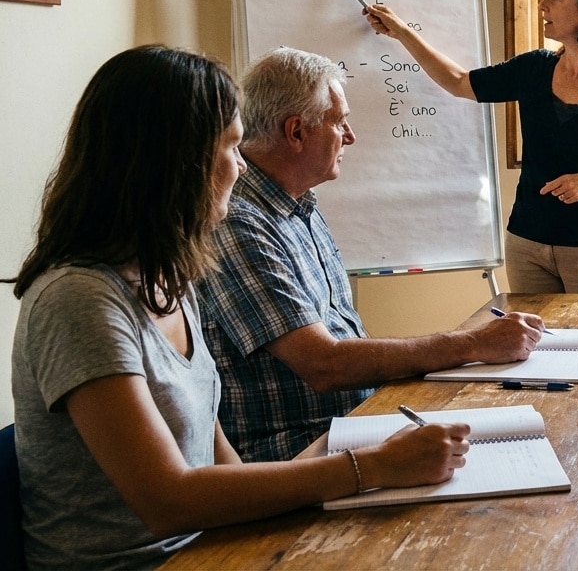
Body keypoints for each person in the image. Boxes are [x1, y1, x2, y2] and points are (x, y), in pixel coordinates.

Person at [6, 46, 469, 571]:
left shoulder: (167, 281)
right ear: (176, 164)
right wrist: (372, 468)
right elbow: (169, 500)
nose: (242, 163)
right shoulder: (78, 300)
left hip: (211, 549)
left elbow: (216, 457)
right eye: (230, 146)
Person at [196, 47, 544, 463]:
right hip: (297, 451)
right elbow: (324, 365)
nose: (350, 136)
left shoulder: (299, 204)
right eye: (339, 121)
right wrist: (472, 343)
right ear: (296, 132)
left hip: (356, 422)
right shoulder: (240, 223)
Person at [364, 0, 578, 294]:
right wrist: (402, 32)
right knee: (531, 346)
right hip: (526, 246)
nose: (542, 5)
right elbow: (460, 82)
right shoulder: (534, 68)